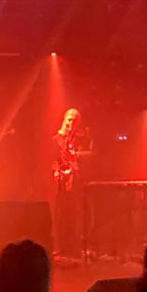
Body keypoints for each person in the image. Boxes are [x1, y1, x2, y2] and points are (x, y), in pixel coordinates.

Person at [52, 108, 90, 257]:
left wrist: (77, 155)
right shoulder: (57, 139)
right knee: (59, 213)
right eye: (69, 120)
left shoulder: (83, 138)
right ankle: (60, 245)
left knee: (74, 214)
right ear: (64, 120)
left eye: (74, 121)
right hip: (60, 180)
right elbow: (52, 158)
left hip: (75, 179)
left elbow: (92, 154)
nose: (71, 123)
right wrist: (56, 169)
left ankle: (73, 247)